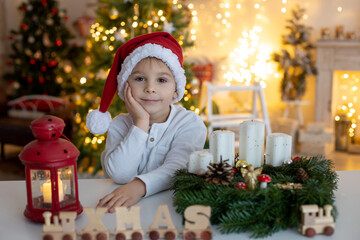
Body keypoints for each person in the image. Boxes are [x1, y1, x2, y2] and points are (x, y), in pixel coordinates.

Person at [86, 32, 207, 212]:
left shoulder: (189, 123)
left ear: (176, 89)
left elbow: (178, 168)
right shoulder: (120, 124)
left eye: (162, 80)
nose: (150, 88)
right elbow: (120, 174)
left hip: (171, 209)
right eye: (140, 79)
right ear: (125, 85)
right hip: (125, 214)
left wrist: (139, 186)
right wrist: (140, 123)